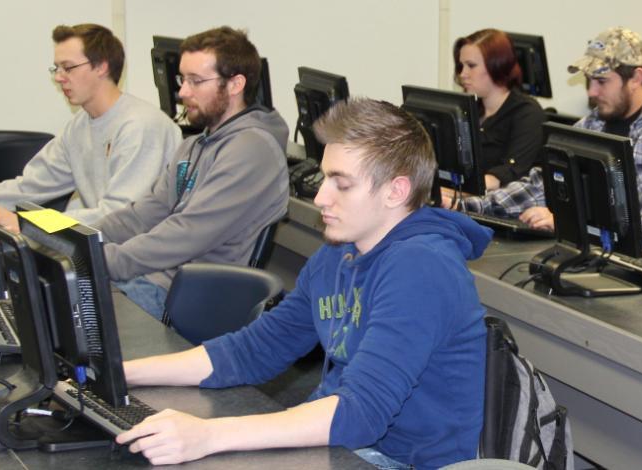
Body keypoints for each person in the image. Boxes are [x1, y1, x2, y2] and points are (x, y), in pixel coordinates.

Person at [115, 97, 491, 469]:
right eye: (325, 177)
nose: (320, 196)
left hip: (397, 460)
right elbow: (253, 350)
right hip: (346, 442)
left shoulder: (422, 267)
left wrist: (209, 435)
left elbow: (360, 414)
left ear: (396, 191)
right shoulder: (339, 251)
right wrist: (121, 373)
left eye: (341, 184)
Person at [451, 27, 642, 255]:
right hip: (602, 254)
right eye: (589, 80)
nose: (591, 92)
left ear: (636, 78)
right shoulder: (594, 123)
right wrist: (467, 205)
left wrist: (567, 223)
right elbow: (540, 185)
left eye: (601, 81)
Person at [95, 27, 288, 319]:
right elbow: (145, 213)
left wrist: (103, 261)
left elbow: (187, 234)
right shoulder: (196, 144)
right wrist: (86, 240)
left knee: (63, 320)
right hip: (156, 280)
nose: (183, 92)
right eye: (182, 79)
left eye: (196, 81)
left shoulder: (253, 150)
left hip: (185, 298)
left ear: (235, 84)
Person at [0, 23, 180, 229]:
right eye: (56, 68)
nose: (59, 77)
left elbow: (120, 216)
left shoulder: (141, 126)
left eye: (68, 67)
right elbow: (30, 186)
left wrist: (29, 224)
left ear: (101, 67)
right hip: (109, 244)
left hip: (139, 251)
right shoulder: (79, 126)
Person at [454, 28, 546, 191]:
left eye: (471, 66)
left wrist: (463, 188)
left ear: (496, 65)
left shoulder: (527, 114)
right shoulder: (466, 110)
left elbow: (511, 172)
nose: (463, 74)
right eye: (462, 66)